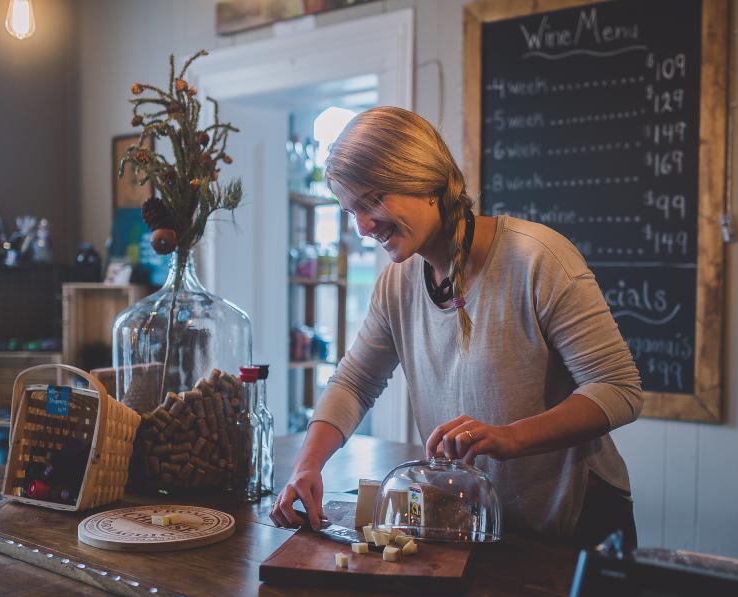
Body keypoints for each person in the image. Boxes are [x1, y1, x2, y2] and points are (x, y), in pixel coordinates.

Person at [270, 107, 643, 549]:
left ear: (423, 181)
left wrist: (511, 437)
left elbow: (618, 389)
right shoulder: (398, 281)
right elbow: (354, 382)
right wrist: (307, 465)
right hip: (474, 523)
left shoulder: (538, 259)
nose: (364, 226)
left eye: (371, 200)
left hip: (575, 524)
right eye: (351, 211)